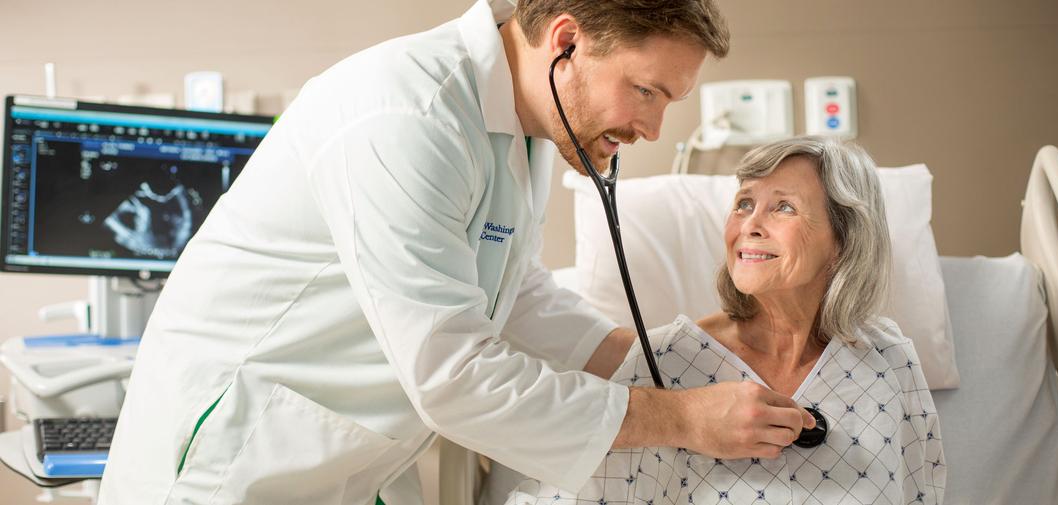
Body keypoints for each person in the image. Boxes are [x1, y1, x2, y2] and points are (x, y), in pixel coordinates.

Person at [98, 2, 817, 504]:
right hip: (233, 464)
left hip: (337, 460)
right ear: (565, 41)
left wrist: (670, 351)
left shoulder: (523, 127)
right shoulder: (404, 113)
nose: (653, 128)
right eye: (646, 91)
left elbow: (511, 292)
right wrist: (685, 417)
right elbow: (456, 374)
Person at [504, 136, 946, 504]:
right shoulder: (665, 364)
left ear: (843, 239)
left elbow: (922, 491)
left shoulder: (888, 361)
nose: (750, 225)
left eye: (784, 207)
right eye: (744, 203)